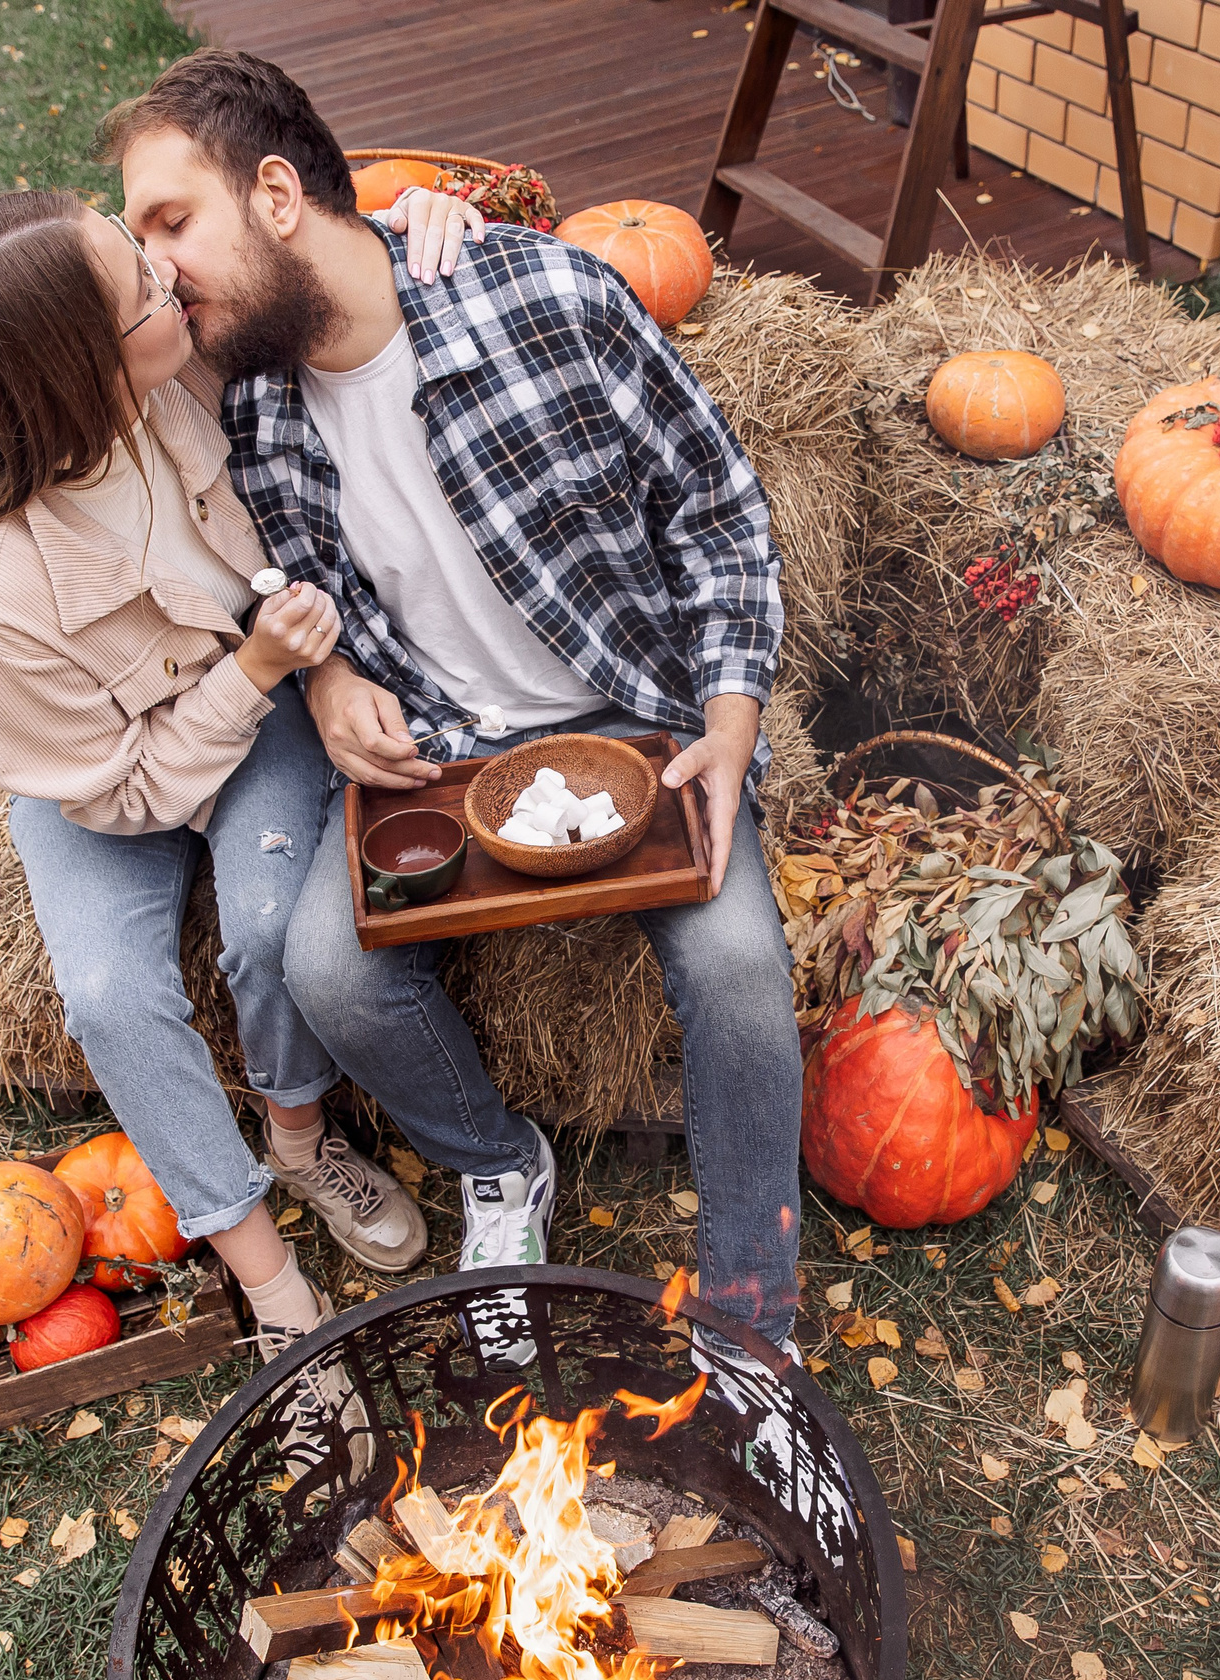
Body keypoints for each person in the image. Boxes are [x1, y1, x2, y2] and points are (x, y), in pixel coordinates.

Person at [102, 53, 806, 1366]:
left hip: (640, 716)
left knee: (742, 971)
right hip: (446, 745)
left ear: (273, 194)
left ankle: (755, 1319)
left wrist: (730, 707)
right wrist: (327, 676)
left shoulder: (552, 298)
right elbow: (291, 575)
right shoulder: (247, 398)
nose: (153, 268)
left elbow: (717, 514)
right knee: (328, 971)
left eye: (168, 222)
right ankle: (499, 1162)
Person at [0, 181, 485, 1440]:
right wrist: (260, 671)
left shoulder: (188, 358)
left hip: (252, 701)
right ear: (85, 373)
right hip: (106, 783)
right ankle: (264, 1275)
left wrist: (420, 211)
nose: (169, 275)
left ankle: (294, 1127)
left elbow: (287, 215)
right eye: (139, 289)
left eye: (140, 252)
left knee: (276, 925)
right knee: (110, 996)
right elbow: (118, 790)